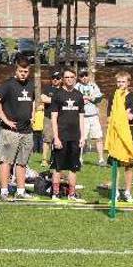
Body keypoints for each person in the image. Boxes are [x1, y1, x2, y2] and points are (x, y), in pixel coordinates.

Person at [0, 55, 35, 201]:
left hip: (27, 130)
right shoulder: (8, 85)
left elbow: (33, 100)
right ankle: (4, 191)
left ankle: (21, 190)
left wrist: (33, 114)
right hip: (10, 131)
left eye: (26, 71)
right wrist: (5, 119)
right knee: (6, 161)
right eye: (21, 71)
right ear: (15, 70)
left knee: (22, 162)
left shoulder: (30, 85)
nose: (23, 74)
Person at [50, 69, 85, 201]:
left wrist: (82, 136)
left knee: (73, 167)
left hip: (75, 137)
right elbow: (54, 118)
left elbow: (81, 117)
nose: (69, 79)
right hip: (61, 136)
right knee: (57, 167)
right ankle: (55, 193)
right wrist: (56, 137)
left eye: (71, 77)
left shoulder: (79, 95)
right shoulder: (57, 95)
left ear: (75, 78)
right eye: (66, 77)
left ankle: (71, 194)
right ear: (63, 79)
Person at [106, 71, 133, 203]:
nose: (120, 84)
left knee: (129, 164)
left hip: (129, 134)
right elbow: (109, 117)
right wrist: (122, 114)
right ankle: (115, 193)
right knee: (115, 164)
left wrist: (121, 115)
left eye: (123, 82)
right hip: (115, 135)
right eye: (119, 82)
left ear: (128, 83)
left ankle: (127, 192)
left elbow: (131, 116)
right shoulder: (113, 97)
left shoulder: (132, 97)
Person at [75, 70, 105, 166]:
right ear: (79, 77)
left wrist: (89, 98)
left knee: (98, 137)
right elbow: (73, 99)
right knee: (82, 138)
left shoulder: (93, 86)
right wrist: (81, 100)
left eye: (86, 75)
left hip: (93, 116)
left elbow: (99, 98)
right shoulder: (77, 87)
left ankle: (100, 159)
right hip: (82, 116)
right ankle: (79, 159)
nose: (84, 77)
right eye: (82, 76)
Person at [40, 71, 62, 167]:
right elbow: (43, 98)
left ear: (61, 80)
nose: (55, 80)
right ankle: (44, 160)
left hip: (60, 118)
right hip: (48, 117)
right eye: (53, 78)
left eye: (57, 78)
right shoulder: (47, 89)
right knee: (47, 139)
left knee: (58, 140)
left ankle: (55, 160)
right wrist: (58, 100)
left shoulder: (63, 90)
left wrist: (52, 100)